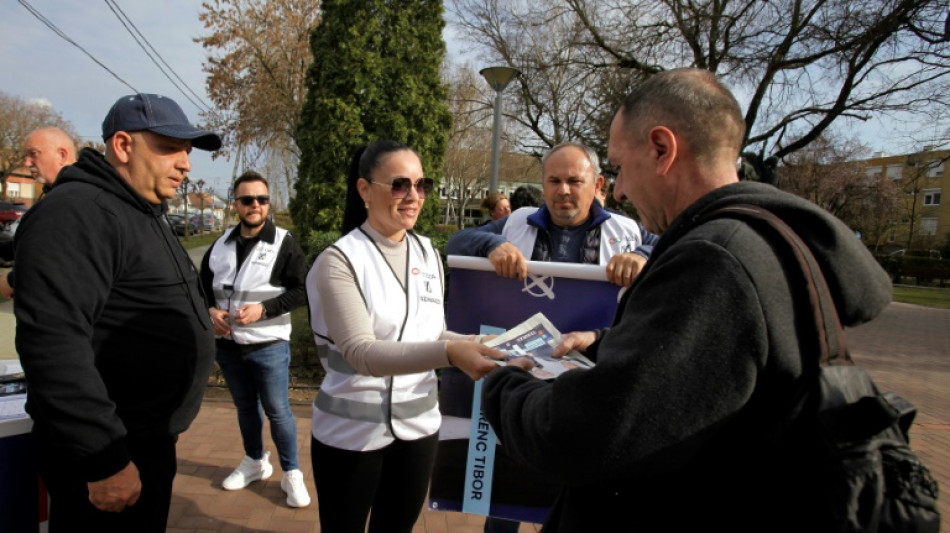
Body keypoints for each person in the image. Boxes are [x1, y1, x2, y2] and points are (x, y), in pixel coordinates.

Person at [480, 68, 893, 531]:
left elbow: (586, 435)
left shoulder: (712, 259)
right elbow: (713, 370)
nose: (618, 191)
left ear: (661, 149)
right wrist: (603, 344)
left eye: (617, 168)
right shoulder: (770, 238)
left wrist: (504, 387)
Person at [13, 93, 221, 532]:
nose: (186, 163)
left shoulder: (139, 209)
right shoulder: (77, 212)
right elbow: (54, 344)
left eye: (188, 151)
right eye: (170, 147)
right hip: (108, 454)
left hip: (144, 442)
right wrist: (104, 458)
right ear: (124, 146)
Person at [306, 139, 528, 533]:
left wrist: (481, 343)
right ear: (363, 190)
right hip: (351, 436)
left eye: (421, 184)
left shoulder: (427, 252)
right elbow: (361, 353)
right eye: (399, 185)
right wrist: (452, 352)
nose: (413, 196)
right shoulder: (339, 261)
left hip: (419, 430)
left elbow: (429, 331)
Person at [199, 170, 311, 507]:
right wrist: (209, 310)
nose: (256, 205)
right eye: (248, 200)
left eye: (262, 199)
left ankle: (291, 473)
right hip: (229, 345)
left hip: (269, 346)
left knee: (278, 411)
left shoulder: (283, 243)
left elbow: (303, 289)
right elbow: (202, 285)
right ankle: (255, 461)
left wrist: (265, 310)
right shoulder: (220, 245)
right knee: (245, 407)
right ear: (236, 205)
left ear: (268, 203)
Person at [446, 141, 659, 287]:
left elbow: (672, 244)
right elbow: (455, 243)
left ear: (597, 184)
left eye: (574, 181)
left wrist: (642, 255)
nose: (563, 190)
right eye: (554, 181)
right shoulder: (519, 221)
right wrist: (491, 244)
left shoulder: (626, 229)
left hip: (596, 350)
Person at [0, 126, 77, 299]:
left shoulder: (74, 201)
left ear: (62, 155)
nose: (26, 163)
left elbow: (58, 260)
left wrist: (12, 280)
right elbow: (33, 242)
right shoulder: (56, 194)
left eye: (33, 154)